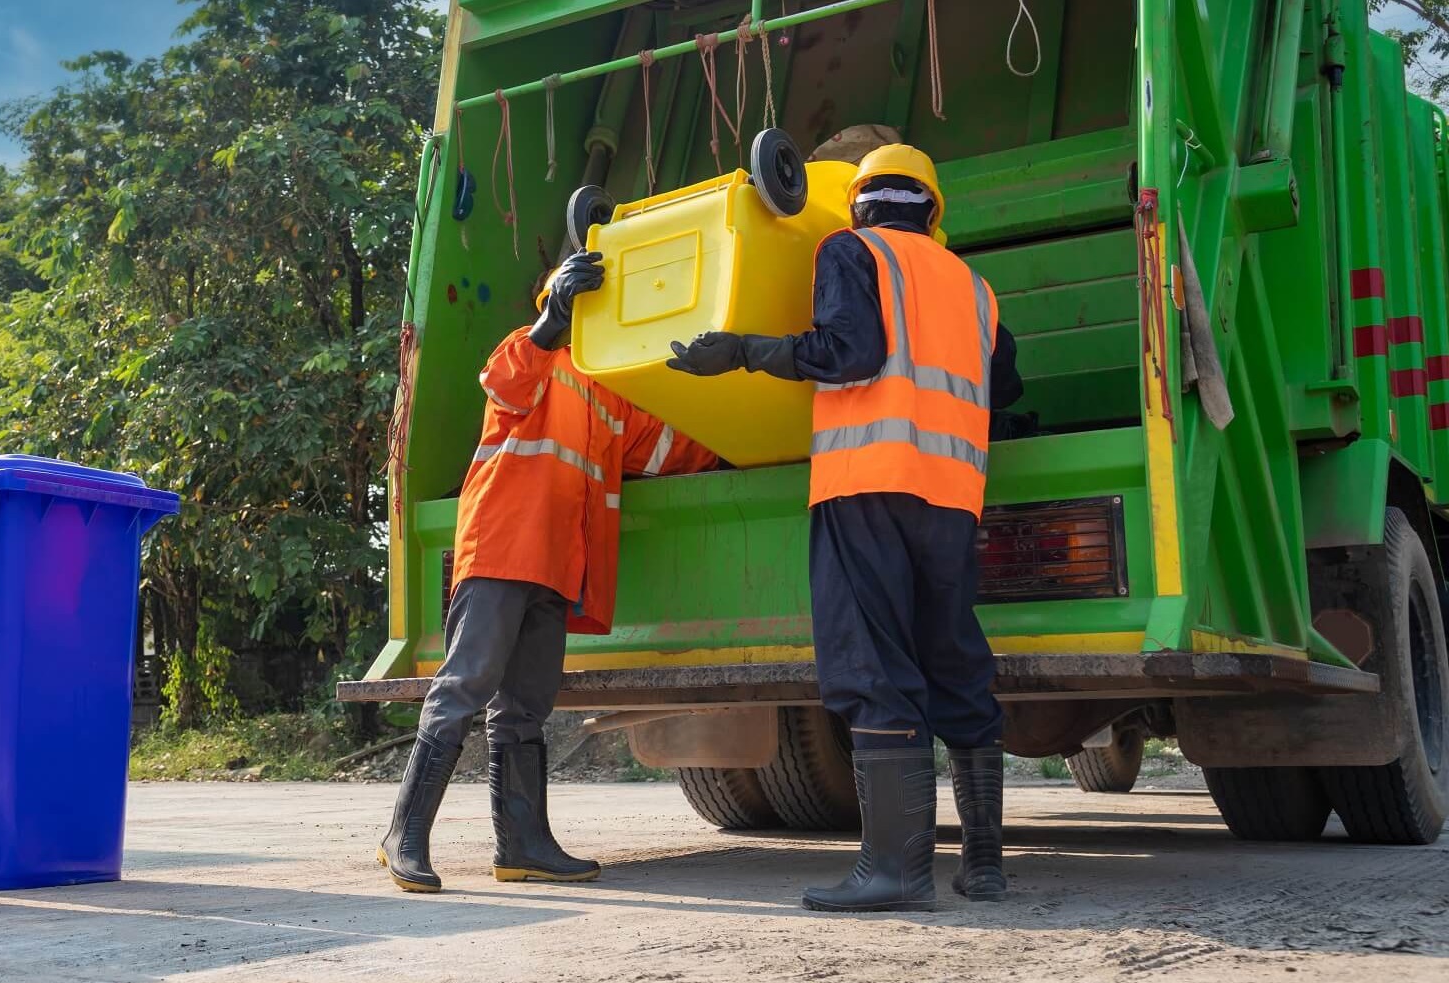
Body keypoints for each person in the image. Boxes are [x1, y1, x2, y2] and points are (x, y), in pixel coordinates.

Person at [666, 143, 1022, 912]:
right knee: (954, 660)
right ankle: (985, 862)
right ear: (933, 210)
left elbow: (849, 352)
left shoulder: (850, 250)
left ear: (858, 202)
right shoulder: (974, 286)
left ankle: (894, 869)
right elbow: (1007, 382)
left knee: (875, 668)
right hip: (952, 495)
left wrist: (745, 351)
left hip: (865, 484)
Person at [379, 251, 718, 894]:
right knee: (464, 688)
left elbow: (678, 448)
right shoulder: (529, 357)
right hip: (505, 551)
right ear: (557, 305)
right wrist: (548, 322)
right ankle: (406, 836)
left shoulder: (611, 396)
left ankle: (524, 847)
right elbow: (504, 379)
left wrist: (719, 386)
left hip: (558, 568)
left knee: (525, 708)